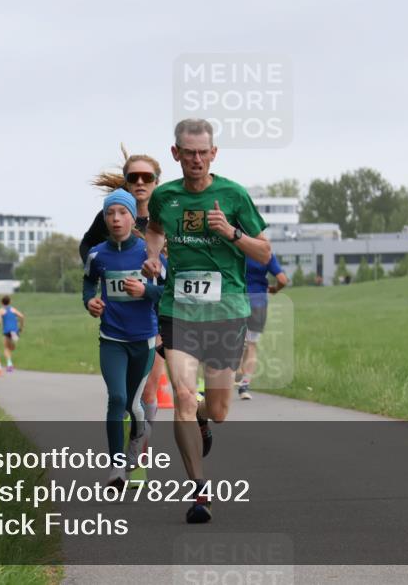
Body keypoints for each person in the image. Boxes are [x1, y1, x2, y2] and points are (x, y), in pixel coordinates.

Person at [142, 118, 271, 523]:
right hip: (178, 311)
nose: (196, 159)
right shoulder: (165, 197)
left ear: (213, 154)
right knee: (181, 395)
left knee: (216, 409)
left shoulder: (233, 195)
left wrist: (231, 232)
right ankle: (200, 492)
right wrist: (152, 255)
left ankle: (203, 419)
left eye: (204, 152)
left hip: (226, 313)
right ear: (175, 153)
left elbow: (264, 253)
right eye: (189, 151)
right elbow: (156, 230)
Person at [80, 146, 168, 430]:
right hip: (125, 317)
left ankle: (140, 446)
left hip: (162, 309)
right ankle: (136, 450)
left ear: (157, 181)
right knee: (138, 394)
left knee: (156, 391)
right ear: (127, 181)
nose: (140, 182)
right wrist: (102, 276)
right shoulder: (112, 215)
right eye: (134, 177)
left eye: (147, 177)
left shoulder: (168, 215)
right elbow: (88, 248)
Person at [84, 189, 165, 489]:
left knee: (134, 405)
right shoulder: (98, 255)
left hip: (143, 341)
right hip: (111, 338)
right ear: (105, 219)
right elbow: (88, 284)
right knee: (116, 399)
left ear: (134, 217)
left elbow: (169, 293)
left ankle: (137, 438)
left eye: (122, 213)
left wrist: (146, 291)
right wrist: (89, 303)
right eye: (110, 213)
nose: (116, 219)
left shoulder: (149, 254)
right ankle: (116, 467)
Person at [238, 254, 288, 400]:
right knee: (252, 345)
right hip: (259, 303)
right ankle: (244, 385)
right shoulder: (265, 253)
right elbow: (282, 280)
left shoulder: (237, 249)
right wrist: (275, 289)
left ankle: (236, 372)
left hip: (237, 301)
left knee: (236, 343)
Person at [0, 296, 25, 372]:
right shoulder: (13, 309)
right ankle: (10, 364)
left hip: (7, 331)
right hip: (15, 331)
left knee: (7, 348)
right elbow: (22, 316)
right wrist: (21, 327)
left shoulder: (0, 310)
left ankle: (9, 364)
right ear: (10, 302)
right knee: (11, 347)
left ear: (2, 302)